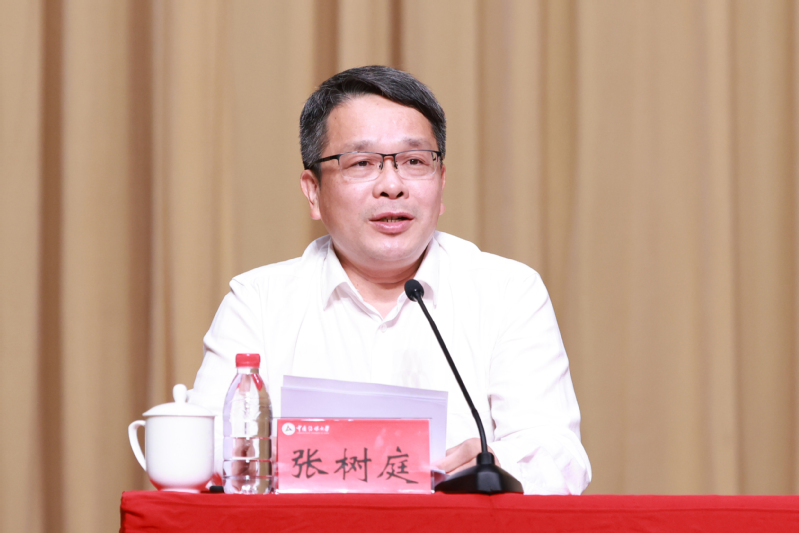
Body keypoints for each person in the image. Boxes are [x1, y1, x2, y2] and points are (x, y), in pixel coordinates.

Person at [190, 65, 591, 494]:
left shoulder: (507, 292)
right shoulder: (258, 302)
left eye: (414, 161)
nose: (392, 186)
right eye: (362, 163)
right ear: (313, 191)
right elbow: (203, 455)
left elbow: (560, 457)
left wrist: (494, 462)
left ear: (441, 183)